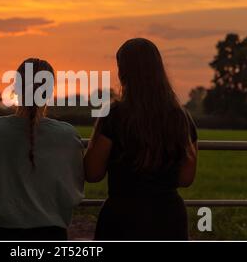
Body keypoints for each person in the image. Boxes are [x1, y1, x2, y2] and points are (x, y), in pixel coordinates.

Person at [84, 38, 198, 240]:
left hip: (122, 219)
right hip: (169, 219)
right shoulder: (180, 117)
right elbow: (185, 179)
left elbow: (92, 173)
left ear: (123, 72)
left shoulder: (113, 115)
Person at [0, 58, 84, 240]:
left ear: (15, 88)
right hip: (52, 234)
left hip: (3, 232)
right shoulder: (67, 134)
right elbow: (75, 184)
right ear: (50, 92)